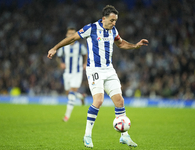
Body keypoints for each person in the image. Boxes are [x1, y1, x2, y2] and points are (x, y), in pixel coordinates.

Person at [47, 5, 148, 148]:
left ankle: (124, 136)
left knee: (119, 100)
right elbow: (72, 38)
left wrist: (135, 46)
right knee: (99, 100)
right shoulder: (91, 28)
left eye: (115, 21)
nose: (114, 23)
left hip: (109, 69)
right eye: (112, 20)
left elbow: (120, 43)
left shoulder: (113, 30)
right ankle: (87, 135)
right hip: (94, 70)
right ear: (104, 18)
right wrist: (55, 48)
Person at [56, 27, 87, 122]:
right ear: (66, 35)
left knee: (72, 92)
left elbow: (85, 54)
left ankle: (66, 116)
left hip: (77, 73)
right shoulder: (64, 47)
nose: (71, 35)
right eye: (69, 33)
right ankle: (81, 96)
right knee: (68, 94)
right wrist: (60, 63)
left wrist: (85, 63)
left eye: (73, 33)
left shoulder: (80, 46)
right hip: (67, 73)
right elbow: (58, 57)